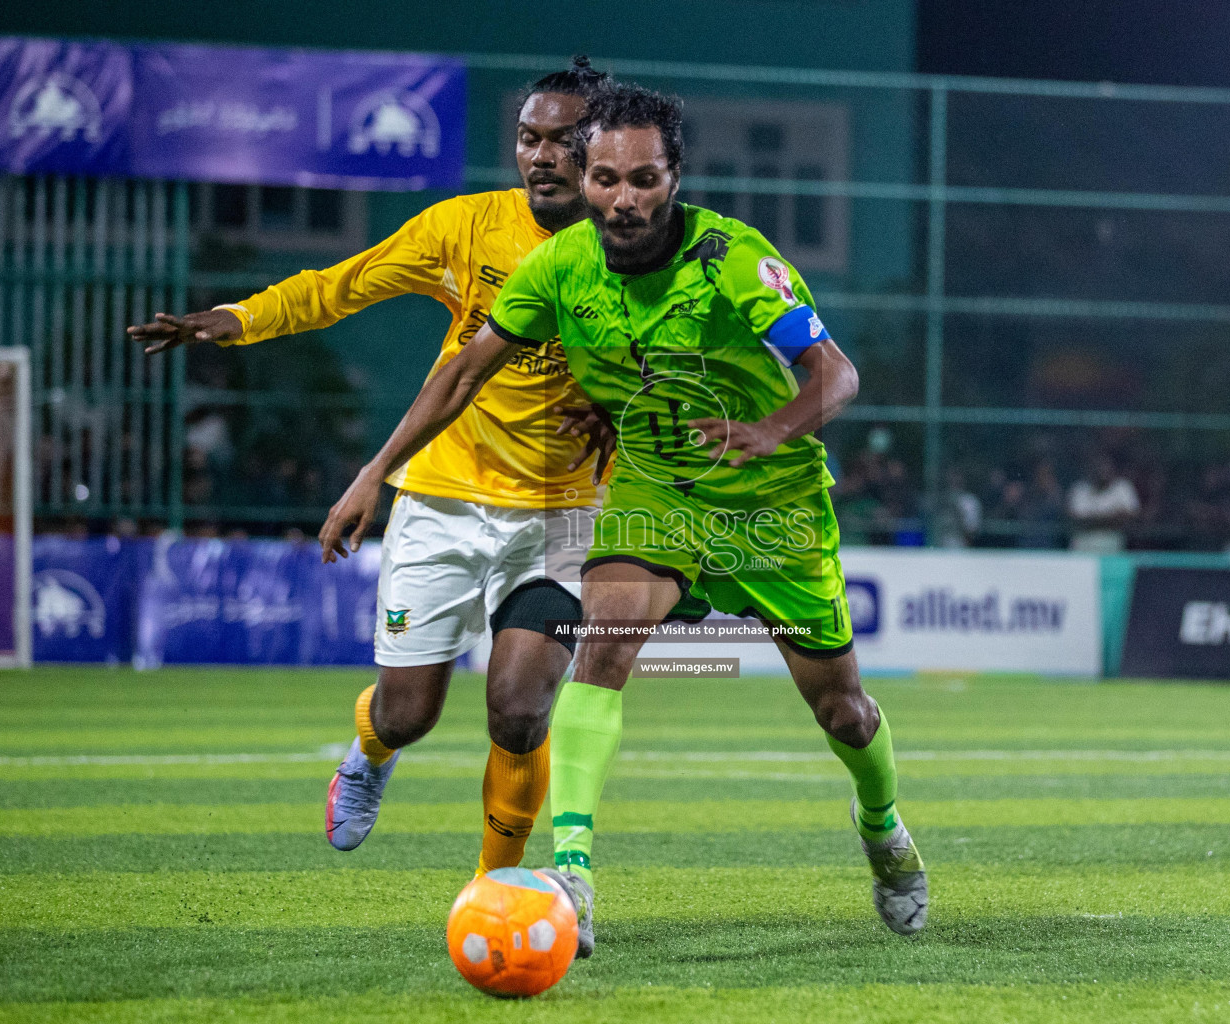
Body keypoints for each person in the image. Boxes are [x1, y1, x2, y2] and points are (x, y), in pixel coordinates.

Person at [319, 85, 927, 957]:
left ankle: (886, 834)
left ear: (675, 178)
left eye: (644, 178)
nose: (623, 199)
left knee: (845, 715)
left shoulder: (731, 257)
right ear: (583, 174)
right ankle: (573, 874)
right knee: (602, 644)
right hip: (655, 493)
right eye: (604, 177)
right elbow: (463, 373)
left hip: (773, 507)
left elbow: (836, 374)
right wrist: (376, 473)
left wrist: (770, 430)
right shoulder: (561, 266)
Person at [129, 58, 615, 878]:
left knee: (520, 711)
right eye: (528, 137)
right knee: (407, 712)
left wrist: (624, 404)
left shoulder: (633, 243)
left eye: (561, 141)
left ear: (599, 149)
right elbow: (339, 287)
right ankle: (369, 755)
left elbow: (680, 360)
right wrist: (236, 319)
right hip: (443, 499)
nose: (539, 155)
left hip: (562, 513)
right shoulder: (464, 227)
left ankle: (498, 887)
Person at [1066, 453, 1140, 553]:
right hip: (1083, 545)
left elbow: (1130, 518)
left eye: (1105, 466)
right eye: (1097, 466)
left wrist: (1091, 518)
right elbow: (1075, 519)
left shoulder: (1123, 487)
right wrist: (1112, 516)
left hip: (1113, 545)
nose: (1101, 470)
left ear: (1112, 468)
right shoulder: (1079, 489)